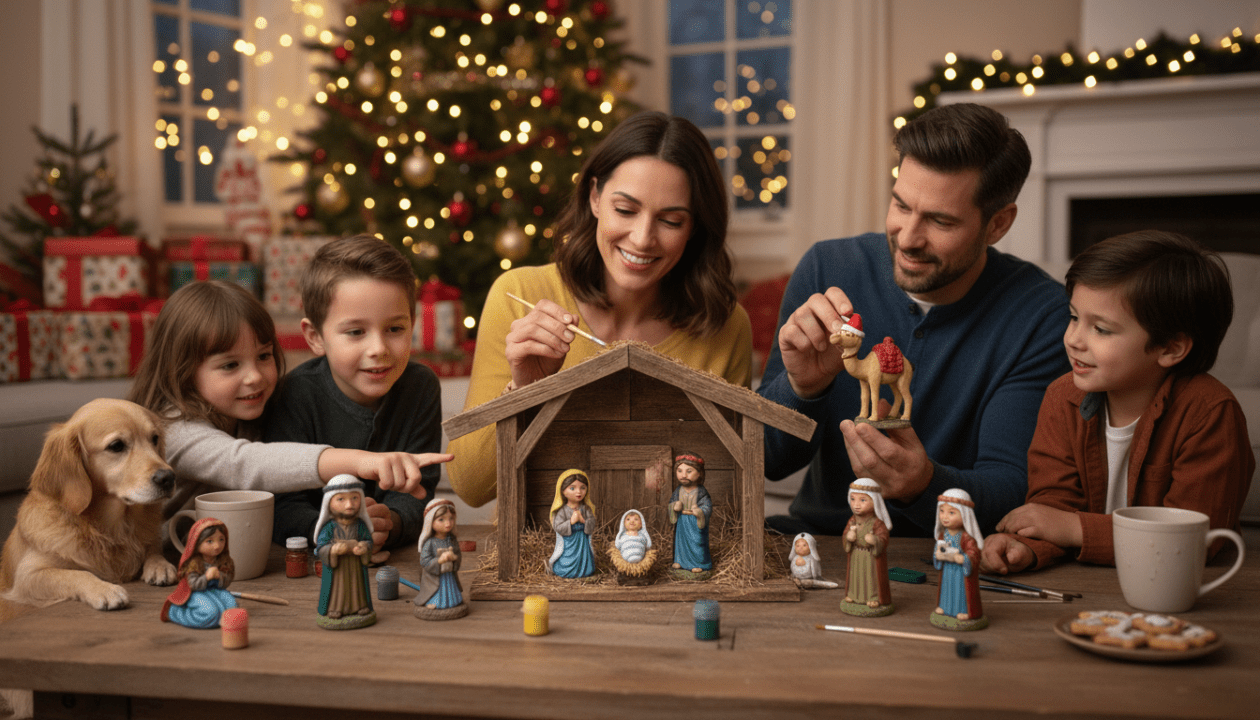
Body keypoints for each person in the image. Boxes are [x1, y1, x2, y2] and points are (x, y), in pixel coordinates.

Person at [758, 102, 1071, 537]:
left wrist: (923, 485)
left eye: (940, 221)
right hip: (822, 541)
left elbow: (1013, 493)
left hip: (950, 558)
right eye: (901, 205)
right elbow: (766, 463)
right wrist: (801, 390)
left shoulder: (1041, 316)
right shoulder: (827, 269)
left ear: (998, 224)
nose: (907, 238)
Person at [447, 111, 753, 508]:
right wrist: (526, 391)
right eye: (625, 210)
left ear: (694, 227)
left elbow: (725, 497)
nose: (642, 239)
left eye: (671, 220)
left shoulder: (726, 327)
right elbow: (471, 486)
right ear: (594, 198)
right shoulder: (519, 294)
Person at [981, 231, 1255, 574]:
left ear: (1170, 348)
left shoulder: (1209, 413)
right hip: (1088, 583)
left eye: (1102, 329)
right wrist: (1027, 545)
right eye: (1074, 317)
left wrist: (1073, 529)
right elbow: (1053, 505)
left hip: (1185, 594)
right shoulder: (1062, 397)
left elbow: (1194, 541)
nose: (1073, 340)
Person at [127, 280, 449, 524]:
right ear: (181, 371)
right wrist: (362, 461)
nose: (255, 376)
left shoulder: (255, 410)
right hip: (157, 565)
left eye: (264, 356)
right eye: (230, 365)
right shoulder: (170, 429)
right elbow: (245, 465)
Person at [267, 235, 449, 552]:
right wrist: (332, 530)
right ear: (316, 337)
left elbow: (419, 492)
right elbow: (281, 505)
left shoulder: (421, 387)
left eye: (395, 329)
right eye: (355, 332)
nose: (378, 349)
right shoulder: (293, 395)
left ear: (413, 323)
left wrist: (388, 522)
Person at [315, 475, 376, 629]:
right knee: (339, 588)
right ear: (329, 502)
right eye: (341, 499)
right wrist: (333, 550)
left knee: (357, 586)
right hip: (338, 570)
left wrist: (363, 547)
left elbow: (369, 541)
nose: (349, 504)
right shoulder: (329, 528)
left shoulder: (360, 525)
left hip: (355, 565)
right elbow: (320, 548)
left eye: (354, 498)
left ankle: (359, 606)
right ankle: (335, 608)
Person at [161, 517, 236, 628]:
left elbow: (227, 581)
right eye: (209, 541)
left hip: (215, 591)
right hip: (195, 592)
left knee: (232, 608)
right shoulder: (194, 563)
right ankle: (175, 613)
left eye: (221, 539)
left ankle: (218, 618)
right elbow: (193, 584)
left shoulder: (223, 561)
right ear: (196, 543)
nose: (217, 546)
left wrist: (220, 576)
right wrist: (206, 577)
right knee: (210, 613)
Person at [932, 489, 985, 629]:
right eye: (942, 511)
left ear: (965, 515)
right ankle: (945, 607)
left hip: (961, 572)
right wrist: (937, 555)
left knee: (960, 591)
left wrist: (963, 558)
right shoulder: (943, 535)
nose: (944, 516)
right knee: (946, 588)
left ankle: (964, 611)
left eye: (951, 512)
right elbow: (938, 548)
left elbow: (974, 553)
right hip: (948, 570)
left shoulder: (966, 537)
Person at [841, 479, 892, 612]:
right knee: (856, 576)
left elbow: (883, 537)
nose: (856, 505)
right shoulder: (852, 520)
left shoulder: (877, 523)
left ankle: (873, 597)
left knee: (870, 578)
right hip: (856, 554)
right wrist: (848, 538)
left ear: (875, 501)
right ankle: (853, 595)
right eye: (853, 499)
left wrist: (875, 540)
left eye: (863, 500)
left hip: (870, 556)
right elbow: (846, 535)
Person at [414, 498, 467, 618]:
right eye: (441, 520)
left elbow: (458, 556)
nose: (448, 523)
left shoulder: (451, 540)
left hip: (449, 576)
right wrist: (439, 560)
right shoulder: (430, 543)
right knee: (435, 590)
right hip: (434, 578)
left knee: (450, 591)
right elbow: (424, 561)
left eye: (451, 518)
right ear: (430, 522)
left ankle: (452, 601)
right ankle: (433, 601)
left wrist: (454, 558)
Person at [548, 469, 597, 579]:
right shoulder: (562, 511)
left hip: (582, 542)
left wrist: (583, 521)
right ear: (563, 491)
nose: (578, 492)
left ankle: (585, 569)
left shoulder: (586, 509)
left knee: (584, 557)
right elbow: (557, 527)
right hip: (569, 544)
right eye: (572, 488)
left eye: (582, 487)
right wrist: (571, 522)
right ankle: (565, 570)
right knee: (566, 558)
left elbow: (592, 523)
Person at [669, 453, 712, 575]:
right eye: (680, 471)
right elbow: (671, 503)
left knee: (697, 542)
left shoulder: (701, 491)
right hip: (682, 520)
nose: (683, 475)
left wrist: (699, 511)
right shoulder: (678, 490)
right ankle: (680, 560)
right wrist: (674, 506)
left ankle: (698, 563)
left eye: (689, 471)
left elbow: (707, 506)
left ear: (699, 473)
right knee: (680, 541)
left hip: (695, 522)